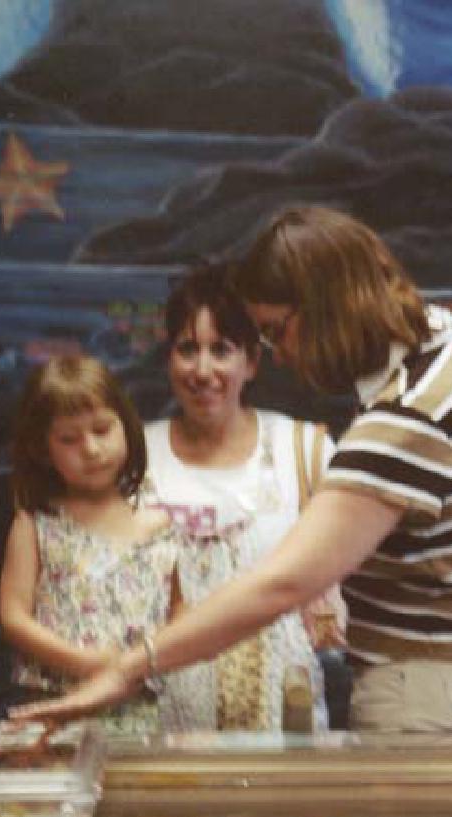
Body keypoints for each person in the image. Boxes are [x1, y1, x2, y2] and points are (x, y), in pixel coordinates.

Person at [12, 206, 452, 736]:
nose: (280, 353)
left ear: (325, 306)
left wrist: (132, 665)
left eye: (275, 331)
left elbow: (285, 581)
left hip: (442, 698)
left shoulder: (407, 415)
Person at [142, 262, 342, 731]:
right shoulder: (135, 457)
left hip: (287, 725)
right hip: (164, 729)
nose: (203, 370)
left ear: (252, 361)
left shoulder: (304, 450)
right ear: (168, 359)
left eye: (222, 350)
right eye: (188, 350)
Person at [0, 354, 183, 733]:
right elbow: (13, 617)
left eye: (102, 430)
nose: (91, 449)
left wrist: (147, 662)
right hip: (54, 706)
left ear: (126, 428)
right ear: (42, 448)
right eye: (69, 439)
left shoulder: (160, 523)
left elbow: (181, 614)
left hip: (140, 711)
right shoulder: (36, 523)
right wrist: (87, 662)